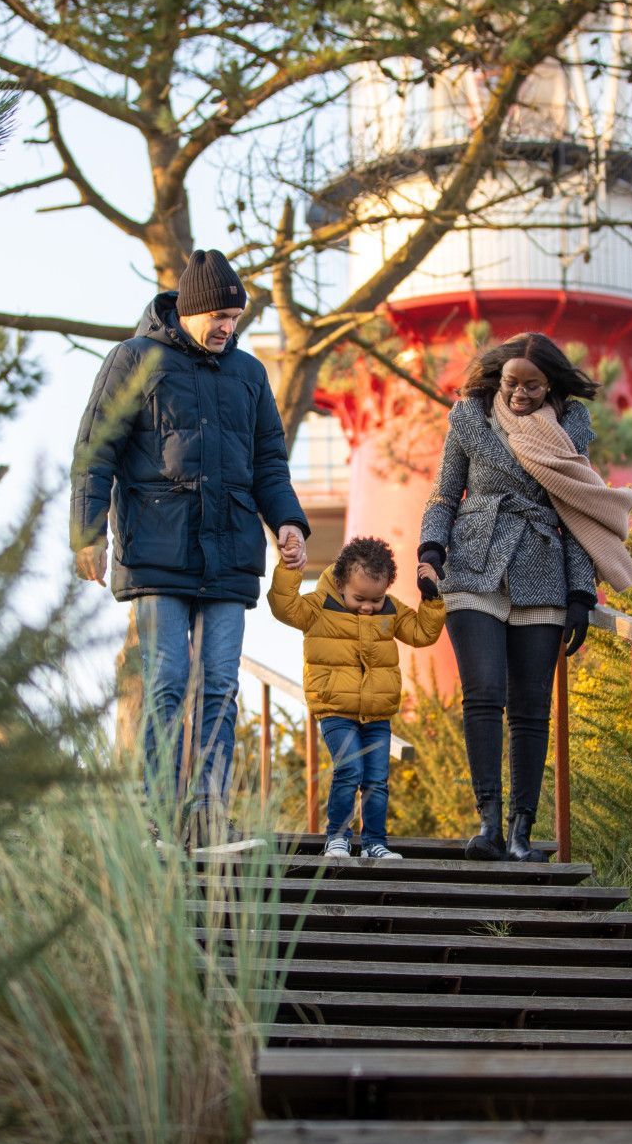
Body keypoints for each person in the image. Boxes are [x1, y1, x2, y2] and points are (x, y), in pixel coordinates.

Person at [71, 248, 309, 841]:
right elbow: (96, 449)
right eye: (219, 316)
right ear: (187, 310)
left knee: (222, 687)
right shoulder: (134, 360)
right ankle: (153, 815)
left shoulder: (250, 374)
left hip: (229, 553)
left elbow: (268, 463)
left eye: (236, 316)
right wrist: (87, 532)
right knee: (168, 682)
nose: (228, 327)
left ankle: (207, 814)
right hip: (157, 549)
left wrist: (288, 522)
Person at [419, 332, 632, 863]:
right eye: (512, 382)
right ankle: (488, 824)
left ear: (551, 385)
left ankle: (521, 832)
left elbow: (577, 509)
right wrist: (430, 548)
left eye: (532, 385)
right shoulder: (470, 418)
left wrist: (582, 590)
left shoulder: (570, 429)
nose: (519, 393)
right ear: (499, 377)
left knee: (531, 708)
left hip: (543, 565)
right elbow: (446, 493)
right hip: (473, 563)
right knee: (484, 693)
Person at [268, 535, 445, 859]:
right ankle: (337, 838)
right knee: (350, 770)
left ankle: (375, 843)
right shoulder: (318, 607)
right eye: (360, 597)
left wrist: (431, 598)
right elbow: (284, 606)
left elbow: (422, 633)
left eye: (376, 600)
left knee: (377, 780)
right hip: (336, 709)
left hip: (377, 714)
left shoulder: (390, 611)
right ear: (340, 583)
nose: (368, 606)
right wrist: (289, 568)